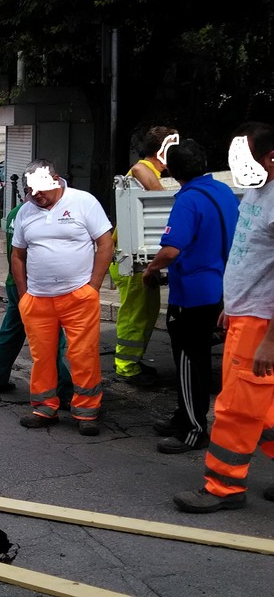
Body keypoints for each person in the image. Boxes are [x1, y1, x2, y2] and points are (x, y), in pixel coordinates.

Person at [173, 122, 274, 513]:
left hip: (261, 325)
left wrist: (270, 339)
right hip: (246, 317)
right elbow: (249, 257)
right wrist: (230, 308)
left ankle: (223, 487)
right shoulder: (255, 193)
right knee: (263, 408)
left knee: (234, 408)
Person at [143, 140, 239, 454]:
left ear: (172, 171)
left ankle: (193, 430)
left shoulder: (188, 200)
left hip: (193, 294)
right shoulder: (223, 191)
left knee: (189, 361)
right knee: (195, 360)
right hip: (218, 286)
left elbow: (171, 249)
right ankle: (182, 416)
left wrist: (150, 270)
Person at [11, 160, 113, 436]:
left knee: (83, 354)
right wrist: (24, 295)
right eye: (31, 192)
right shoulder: (25, 212)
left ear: (56, 179)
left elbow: (105, 242)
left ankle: (87, 411)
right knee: (42, 357)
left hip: (77, 296)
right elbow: (17, 254)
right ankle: (44, 407)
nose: (36, 196)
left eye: (40, 190)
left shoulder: (83, 202)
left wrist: (93, 286)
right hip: (38, 299)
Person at [0, 193, 73, 405]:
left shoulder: (15, 213)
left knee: (11, 333)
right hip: (35, 287)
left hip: (15, 282)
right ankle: (64, 390)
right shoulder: (34, 215)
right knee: (49, 338)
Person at [110, 126, 176, 387]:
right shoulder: (141, 169)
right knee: (134, 316)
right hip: (130, 261)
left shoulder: (150, 172)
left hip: (139, 262)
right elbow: (141, 174)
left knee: (145, 315)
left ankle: (132, 362)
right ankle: (126, 367)